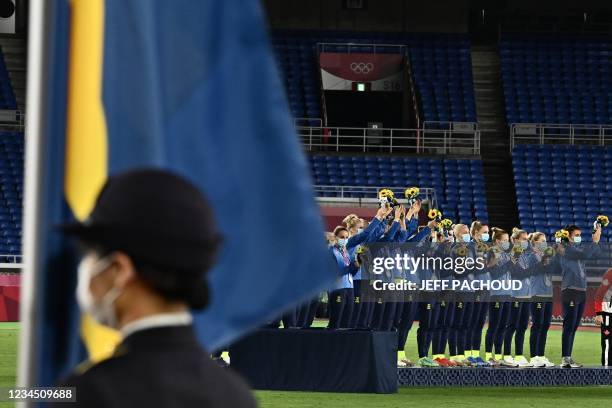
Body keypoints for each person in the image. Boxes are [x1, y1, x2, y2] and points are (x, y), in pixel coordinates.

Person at [53, 169, 256, 408]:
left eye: (91, 256)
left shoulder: (87, 394)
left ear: (121, 269)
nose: (86, 268)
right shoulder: (235, 394)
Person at [558, 224, 602, 368]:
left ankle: (568, 357)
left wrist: (597, 239)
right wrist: (594, 242)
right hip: (570, 289)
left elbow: (595, 254)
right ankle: (565, 358)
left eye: (579, 234)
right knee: (569, 325)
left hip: (581, 289)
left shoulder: (576, 248)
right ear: (568, 236)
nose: (579, 237)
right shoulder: (565, 248)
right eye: (576, 235)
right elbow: (586, 254)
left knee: (575, 326)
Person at [483, 227, 515, 367]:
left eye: (508, 240)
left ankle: (498, 355)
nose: (507, 243)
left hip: (507, 293)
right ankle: (489, 356)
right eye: (505, 240)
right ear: (497, 241)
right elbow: (495, 273)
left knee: (503, 326)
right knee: (494, 326)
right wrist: (510, 263)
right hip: (496, 293)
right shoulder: (493, 252)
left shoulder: (505, 254)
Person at [524, 232, 555, 368]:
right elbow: (535, 270)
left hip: (548, 294)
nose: (545, 243)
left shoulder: (546, 257)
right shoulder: (531, 257)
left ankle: (541, 356)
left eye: (546, 240)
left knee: (545, 325)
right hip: (536, 293)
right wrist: (545, 258)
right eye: (542, 241)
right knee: (537, 325)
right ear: (535, 243)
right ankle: (533, 357)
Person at [502, 228, 532, 368]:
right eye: (523, 239)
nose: (526, 241)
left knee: (522, 327)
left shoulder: (525, 255)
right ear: (514, 240)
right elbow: (517, 273)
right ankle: (507, 355)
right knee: (512, 326)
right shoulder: (511, 254)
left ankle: (519, 355)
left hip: (526, 295)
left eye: (527, 239)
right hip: (515, 295)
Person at [594, 268, 612, 366]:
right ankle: (606, 370)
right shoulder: (610, 273)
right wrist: (599, 313)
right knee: (607, 343)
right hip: (608, 312)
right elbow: (599, 294)